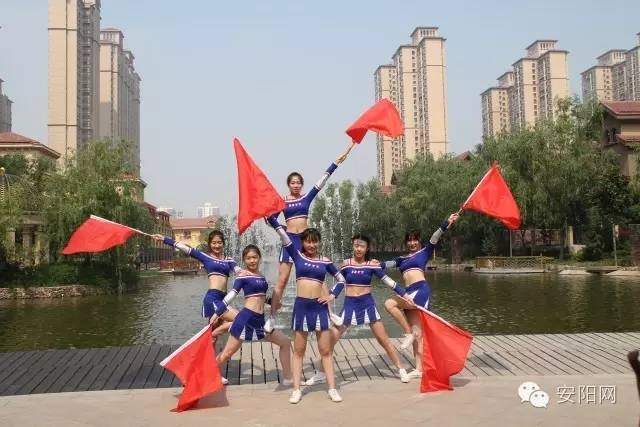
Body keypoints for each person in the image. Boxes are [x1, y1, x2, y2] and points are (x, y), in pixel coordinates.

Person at [305, 234, 414, 386]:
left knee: (384, 340)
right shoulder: (346, 264)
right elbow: (340, 282)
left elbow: (389, 281)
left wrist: (405, 295)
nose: (358, 249)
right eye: (356, 245)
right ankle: (321, 373)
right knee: (330, 340)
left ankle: (401, 369)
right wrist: (331, 295)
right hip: (349, 306)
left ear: (367, 248)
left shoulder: (372, 265)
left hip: (367, 305)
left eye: (362, 246)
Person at [266, 215, 345, 404]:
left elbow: (342, 279)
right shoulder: (297, 255)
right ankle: (296, 390)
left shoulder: (325, 261)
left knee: (325, 351)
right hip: (301, 308)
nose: (311, 245)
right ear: (302, 243)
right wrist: (272, 219)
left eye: (314, 241)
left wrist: (332, 295)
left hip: (319, 309)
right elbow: (283, 235)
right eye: (308, 242)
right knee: (299, 351)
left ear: (318, 242)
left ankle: (332, 388)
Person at [270, 147, 352, 319]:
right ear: (288, 184)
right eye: (293, 182)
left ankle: (330, 313)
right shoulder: (281, 201)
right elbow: (270, 219)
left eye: (298, 182)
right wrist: (282, 229)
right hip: (289, 241)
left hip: (305, 241)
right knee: (282, 280)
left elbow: (321, 182)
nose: (296, 185)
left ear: (301, 184)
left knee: (318, 277)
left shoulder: (306, 197)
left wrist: (335, 163)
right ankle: (272, 317)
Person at [381, 213, 459, 380]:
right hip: (407, 292)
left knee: (389, 304)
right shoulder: (401, 259)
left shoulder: (424, 252)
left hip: (420, 290)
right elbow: (385, 264)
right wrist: (371, 264)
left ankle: (407, 333)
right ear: (406, 242)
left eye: (415, 240)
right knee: (418, 334)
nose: (412, 243)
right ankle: (419, 369)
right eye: (409, 240)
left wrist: (447, 222)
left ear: (419, 241)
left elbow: (435, 237)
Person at [212, 245, 292, 386]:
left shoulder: (261, 276)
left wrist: (272, 302)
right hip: (246, 320)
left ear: (259, 258)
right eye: (248, 258)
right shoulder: (243, 276)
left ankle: (288, 378)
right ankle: (209, 375)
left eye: (254, 257)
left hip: (260, 322)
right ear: (244, 260)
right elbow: (232, 295)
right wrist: (218, 312)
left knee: (285, 342)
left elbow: (260, 296)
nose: (252, 260)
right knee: (227, 354)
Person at [152, 231, 243, 340]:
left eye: (219, 242)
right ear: (210, 244)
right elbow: (185, 248)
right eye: (214, 243)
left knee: (212, 337)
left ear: (223, 243)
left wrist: (245, 273)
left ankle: (208, 342)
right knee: (240, 319)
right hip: (213, 298)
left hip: (224, 298)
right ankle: (211, 335)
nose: (217, 245)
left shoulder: (229, 260)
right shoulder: (205, 257)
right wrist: (164, 239)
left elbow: (237, 270)